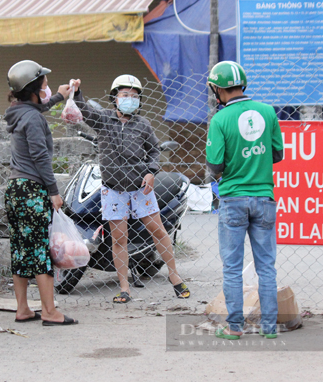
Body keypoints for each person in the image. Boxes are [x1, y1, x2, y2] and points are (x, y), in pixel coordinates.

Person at [70, 75, 191, 303]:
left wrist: (151, 171)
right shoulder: (103, 120)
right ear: (115, 98)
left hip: (140, 190)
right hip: (113, 190)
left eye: (134, 96)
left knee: (159, 232)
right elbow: (85, 111)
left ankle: (174, 277)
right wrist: (77, 93)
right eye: (125, 95)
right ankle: (124, 288)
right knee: (119, 239)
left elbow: (154, 150)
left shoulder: (143, 125)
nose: (129, 99)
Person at [205, 61, 284, 340]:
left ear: (218, 89)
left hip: (233, 199)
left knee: (232, 267)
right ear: (243, 85)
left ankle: (235, 327)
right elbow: (277, 155)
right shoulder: (267, 111)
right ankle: (270, 327)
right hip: (264, 198)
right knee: (266, 266)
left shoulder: (219, 120)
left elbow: (214, 166)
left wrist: (232, 165)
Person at [4, 60, 78, 325]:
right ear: (33, 89)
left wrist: (59, 95)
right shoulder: (33, 119)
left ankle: (23, 308)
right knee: (40, 251)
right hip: (33, 191)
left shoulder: (19, 111)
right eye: (44, 84)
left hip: (15, 190)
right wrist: (53, 191)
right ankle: (49, 311)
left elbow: (37, 108)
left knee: (21, 249)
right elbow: (40, 157)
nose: (47, 87)